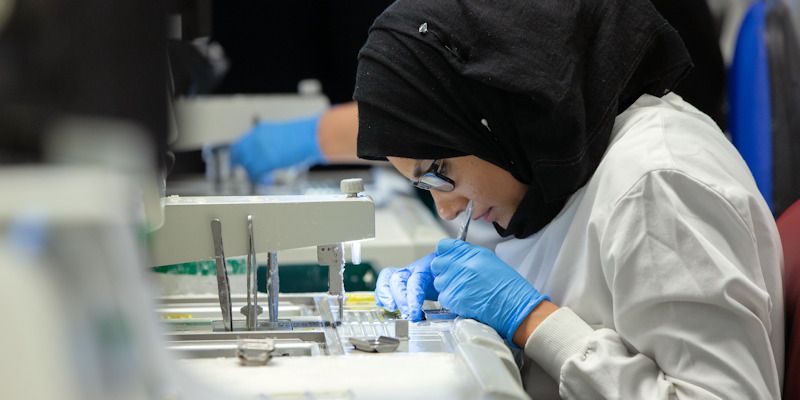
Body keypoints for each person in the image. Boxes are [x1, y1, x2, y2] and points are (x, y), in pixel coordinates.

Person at [352, 1, 784, 399]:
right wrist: (459, 301)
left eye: (439, 171)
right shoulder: (561, 176)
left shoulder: (657, 182)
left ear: (488, 114)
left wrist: (531, 319)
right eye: (424, 186)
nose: (446, 209)